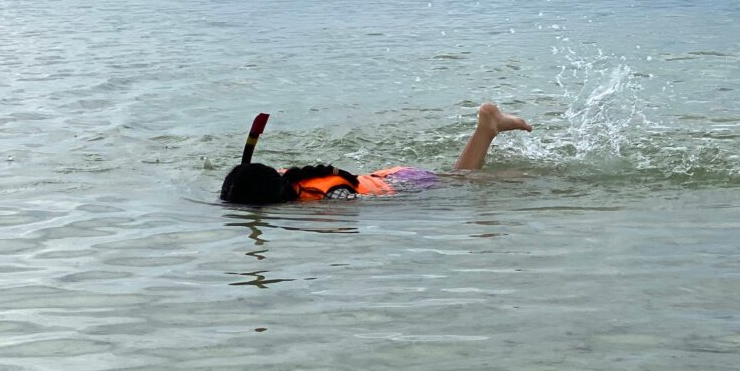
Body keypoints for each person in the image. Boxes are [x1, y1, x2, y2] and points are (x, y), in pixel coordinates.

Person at [219, 102, 532, 205]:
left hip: (405, 184)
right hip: (394, 174)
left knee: (466, 180)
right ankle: (487, 129)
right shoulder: (292, 178)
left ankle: (487, 129)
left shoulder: (315, 200)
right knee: (459, 176)